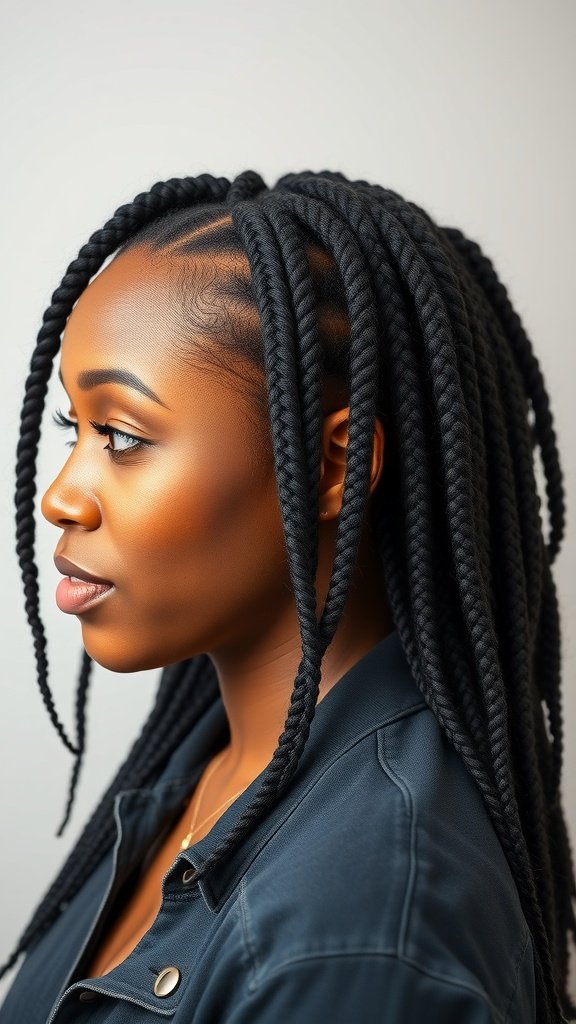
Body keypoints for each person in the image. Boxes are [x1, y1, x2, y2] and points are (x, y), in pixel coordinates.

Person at [0, 169, 574, 1023]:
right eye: (72, 430)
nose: (61, 497)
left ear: (334, 464)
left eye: (121, 436)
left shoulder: (365, 938)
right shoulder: (210, 760)